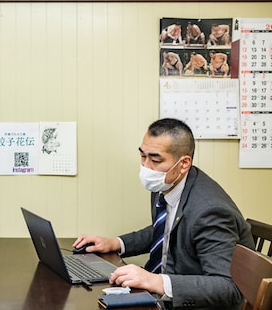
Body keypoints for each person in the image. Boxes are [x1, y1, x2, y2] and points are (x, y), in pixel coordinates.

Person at [73, 118, 254, 310]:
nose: (146, 167)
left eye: (155, 159)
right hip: (164, 292)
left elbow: (227, 288)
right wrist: (115, 243)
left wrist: (155, 281)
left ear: (184, 163)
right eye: (143, 156)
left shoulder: (210, 211)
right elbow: (164, 230)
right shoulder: (166, 182)